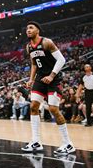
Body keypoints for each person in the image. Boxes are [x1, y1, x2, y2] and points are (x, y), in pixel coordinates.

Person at [21, 21, 75, 155]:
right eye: (27, 28)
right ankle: (36, 141)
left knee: (53, 109)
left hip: (53, 78)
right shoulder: (29, 47)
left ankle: (68, 144)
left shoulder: (46, 42)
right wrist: (31, 79)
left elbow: (62, 60)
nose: (28, 30)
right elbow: (34, 64)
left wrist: (51, 76)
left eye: (31, 28)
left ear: (38, 30)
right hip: (40, 77)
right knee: (33, 106)